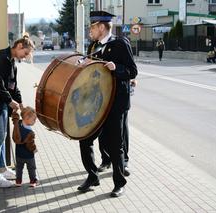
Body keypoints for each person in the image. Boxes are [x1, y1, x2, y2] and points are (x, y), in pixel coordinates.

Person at [77, 10, 138, 197]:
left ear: (102, 27)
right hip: (95, 103)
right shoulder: (93, 46)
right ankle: (92, 175)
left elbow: (132, 71)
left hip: (115, 104)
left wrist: (116, 68)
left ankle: (119, 183)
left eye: (92, 27)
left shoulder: (120, 44)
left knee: (115, 144)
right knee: (85, 139)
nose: (90, 31)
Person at [0, 37, 35, 187]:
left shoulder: (13, 65)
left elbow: (13, 87)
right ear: (18, 46)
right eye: (25, 53)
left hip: (2, 105)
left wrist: (22, 105)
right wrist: (11, 102)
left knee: (3, 136)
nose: (24, 57)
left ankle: (3, 169)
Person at [97, 79, 137, 177]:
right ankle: (106, 160)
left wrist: (131, 79)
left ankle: (124, 162)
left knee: (122, 132)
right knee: (102, 131)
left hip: (121, 97)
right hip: (103, 93)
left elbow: (131, 70)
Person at [11, 106, 39, 187]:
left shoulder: (18, 124)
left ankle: (18, 181)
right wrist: (34, 149)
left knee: (19, 168)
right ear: (27, 118)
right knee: (31, 168)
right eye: (33, 119)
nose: (35, 121)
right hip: (28, 155)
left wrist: (15, 110)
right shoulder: (30, 132)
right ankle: (33, 180)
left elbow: (14, 117)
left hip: (18, 154)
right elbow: (30, 145)